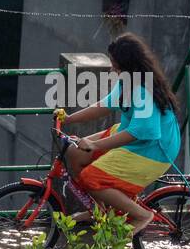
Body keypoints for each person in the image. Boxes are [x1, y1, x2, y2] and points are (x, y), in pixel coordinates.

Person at [59, 32, 181, 236]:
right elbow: (105, 105)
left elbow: (140, 132)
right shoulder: (128, 80)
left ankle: (142, 215)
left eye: (115, 65)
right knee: (75, 153)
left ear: (129, 65)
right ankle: (99, 212)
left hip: (153, 149)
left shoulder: (143, 90)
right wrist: (69, 119)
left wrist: (96, 145)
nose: (112, 69)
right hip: (133, 135)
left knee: (90, 178)